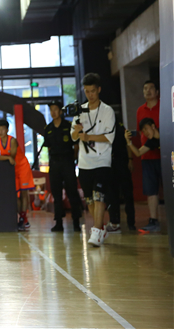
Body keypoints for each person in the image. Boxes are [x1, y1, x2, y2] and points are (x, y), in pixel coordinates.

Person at [71, 73, 116, 248]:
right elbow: (73, 137)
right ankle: (101, 228)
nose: (90, 95)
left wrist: (89, 136)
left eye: (93, 91)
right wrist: (77, 131)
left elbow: (109, 137)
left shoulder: (107, 110)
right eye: (87, 91)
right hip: (84, 162)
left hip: (102, 160)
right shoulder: (79, 111)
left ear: (99, 90)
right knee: (89, 199)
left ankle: (96, 230)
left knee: (99, 195)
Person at [41, 102, 81, 232]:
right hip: (54, 164)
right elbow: (49, 148)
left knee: (72, 192)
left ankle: (76, 222)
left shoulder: (68, 126)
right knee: (56, 195)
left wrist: (73, 159)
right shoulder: (48, 128)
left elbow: (76, 145)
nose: (53, 112)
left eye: (55, 109)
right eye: (51, 110)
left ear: (61, 111)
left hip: (67, 162)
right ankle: (58, 222)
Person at [0, 119, 35, 231]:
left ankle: (23, 218)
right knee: (14, 194)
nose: (0, 132)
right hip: (12, 169)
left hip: (22, 167)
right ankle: (23, 218)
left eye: (3, 129)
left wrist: (7, 157)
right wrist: (7, 157)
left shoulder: (12, 141)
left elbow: (12, 156)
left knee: (24, 193)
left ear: (7, 130)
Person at [125, 118, 162, 233]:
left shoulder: (167, 133)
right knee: (152, 191)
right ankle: (154, 222)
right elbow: (138, 152)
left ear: (153, 126)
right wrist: (128, 142)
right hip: (157, 164)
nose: (145, 133)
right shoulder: (152, 141)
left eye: (146, 129)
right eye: (143, 131)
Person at [135, 80, 162, 232]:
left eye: (151, 88)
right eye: (145, 88)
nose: (148, 91)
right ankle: (153, 220)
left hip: (166, 155)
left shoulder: (165, 106)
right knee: (151, 190)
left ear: (157, 92)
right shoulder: (140, 110)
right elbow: (140, 133)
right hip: (147, 156)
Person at [107, 116, 134, 234]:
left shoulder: (121, 128)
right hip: (110, 163)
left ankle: (131, 222)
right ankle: (114, 222)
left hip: (122, 162)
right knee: (112, 195)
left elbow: (128, 144)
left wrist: (130, 159)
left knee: (128, 193)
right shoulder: (104, 128)